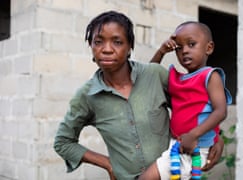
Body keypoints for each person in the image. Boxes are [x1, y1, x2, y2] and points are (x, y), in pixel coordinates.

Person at [53, 11, 224, 180]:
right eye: (98, 42)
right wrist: (108, 164)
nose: (106, 49)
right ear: (91, 47)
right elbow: (63, 142)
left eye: (117, 42)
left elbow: (193, 105)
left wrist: (216, 137)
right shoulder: (87, 96)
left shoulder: (154, 75)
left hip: (173, 173)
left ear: (130, 48)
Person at [139, 21, 232, 180]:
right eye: (179, 47)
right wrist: (161, 51)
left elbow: (220, 111)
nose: (185, 51)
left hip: (194, 147)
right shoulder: (177, 79)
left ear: (208, 48)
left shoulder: (210, 76)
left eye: (191, 44)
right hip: (177, 145)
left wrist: (193, 135)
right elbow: (150, 76)